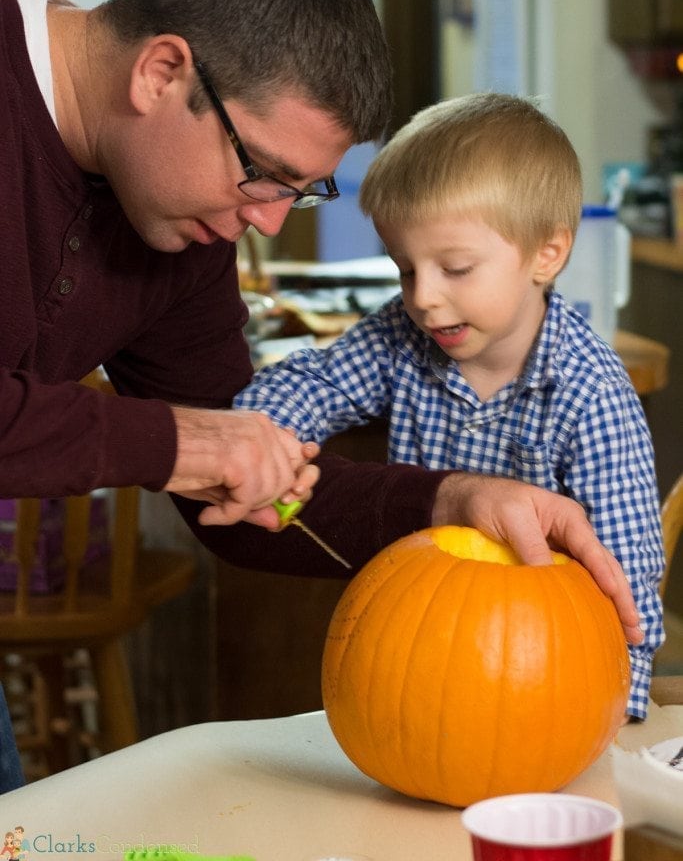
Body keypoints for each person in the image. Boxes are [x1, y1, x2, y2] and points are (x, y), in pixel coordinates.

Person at [0, 0, 639, 790]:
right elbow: (191, 443)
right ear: (161, 71)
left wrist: (449, 502)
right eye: (260, 172)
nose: (264, 220)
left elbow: (245, 492)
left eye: (296, 193)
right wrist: (176, 441)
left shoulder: (185, 234)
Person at [234, 93, 665, 720]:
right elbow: (316, 384)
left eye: (455, 268)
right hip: (419, 649)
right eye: (405, 269)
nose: (424, 299)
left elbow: (626, 575)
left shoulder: (589, 392)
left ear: (547, 254)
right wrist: (255, 436)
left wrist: (614, 710)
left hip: (543, 675)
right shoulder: (404, 337)